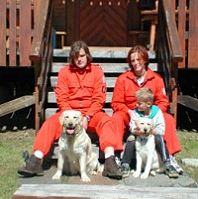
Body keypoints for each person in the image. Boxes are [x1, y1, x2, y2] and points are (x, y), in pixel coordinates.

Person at [18, 40, 122, 179]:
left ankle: (110, 161)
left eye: (82, 55)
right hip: (69, 114)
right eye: (76, 56)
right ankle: (36, 161)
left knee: (107, 122)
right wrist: (71, 116)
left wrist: (87, 117)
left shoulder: (97, 71)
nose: (79, 59)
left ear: (88, 56)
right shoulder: (64, 72)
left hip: (91, 113)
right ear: (72, 58)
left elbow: (99, 98)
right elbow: (61, 97)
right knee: (50, 123)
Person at [111, 45, 183, 174]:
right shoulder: (123, 79)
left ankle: (170, 158)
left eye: (139, 59)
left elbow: (163, 101)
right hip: (131, 115)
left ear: (145, 60)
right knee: (116, 117)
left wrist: (153, 114)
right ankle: (117, 155)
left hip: (150, 115)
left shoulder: (156, 79)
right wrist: (128, 111)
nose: (136, 63)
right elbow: (116, 102)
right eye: (133, 60)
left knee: (168, 118)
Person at [120, 87, 179, 178]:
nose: (137, 105)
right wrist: (136, 131)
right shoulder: (136, 112)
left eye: (139, 103)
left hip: (152, 135)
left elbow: (161, 129)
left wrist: (152, 131)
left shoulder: (157, 112)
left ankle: (167, 163)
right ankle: (125, 164)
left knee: (160, 138)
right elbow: (132, 126)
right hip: (139, 135)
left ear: (148, 104)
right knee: (131, 138)